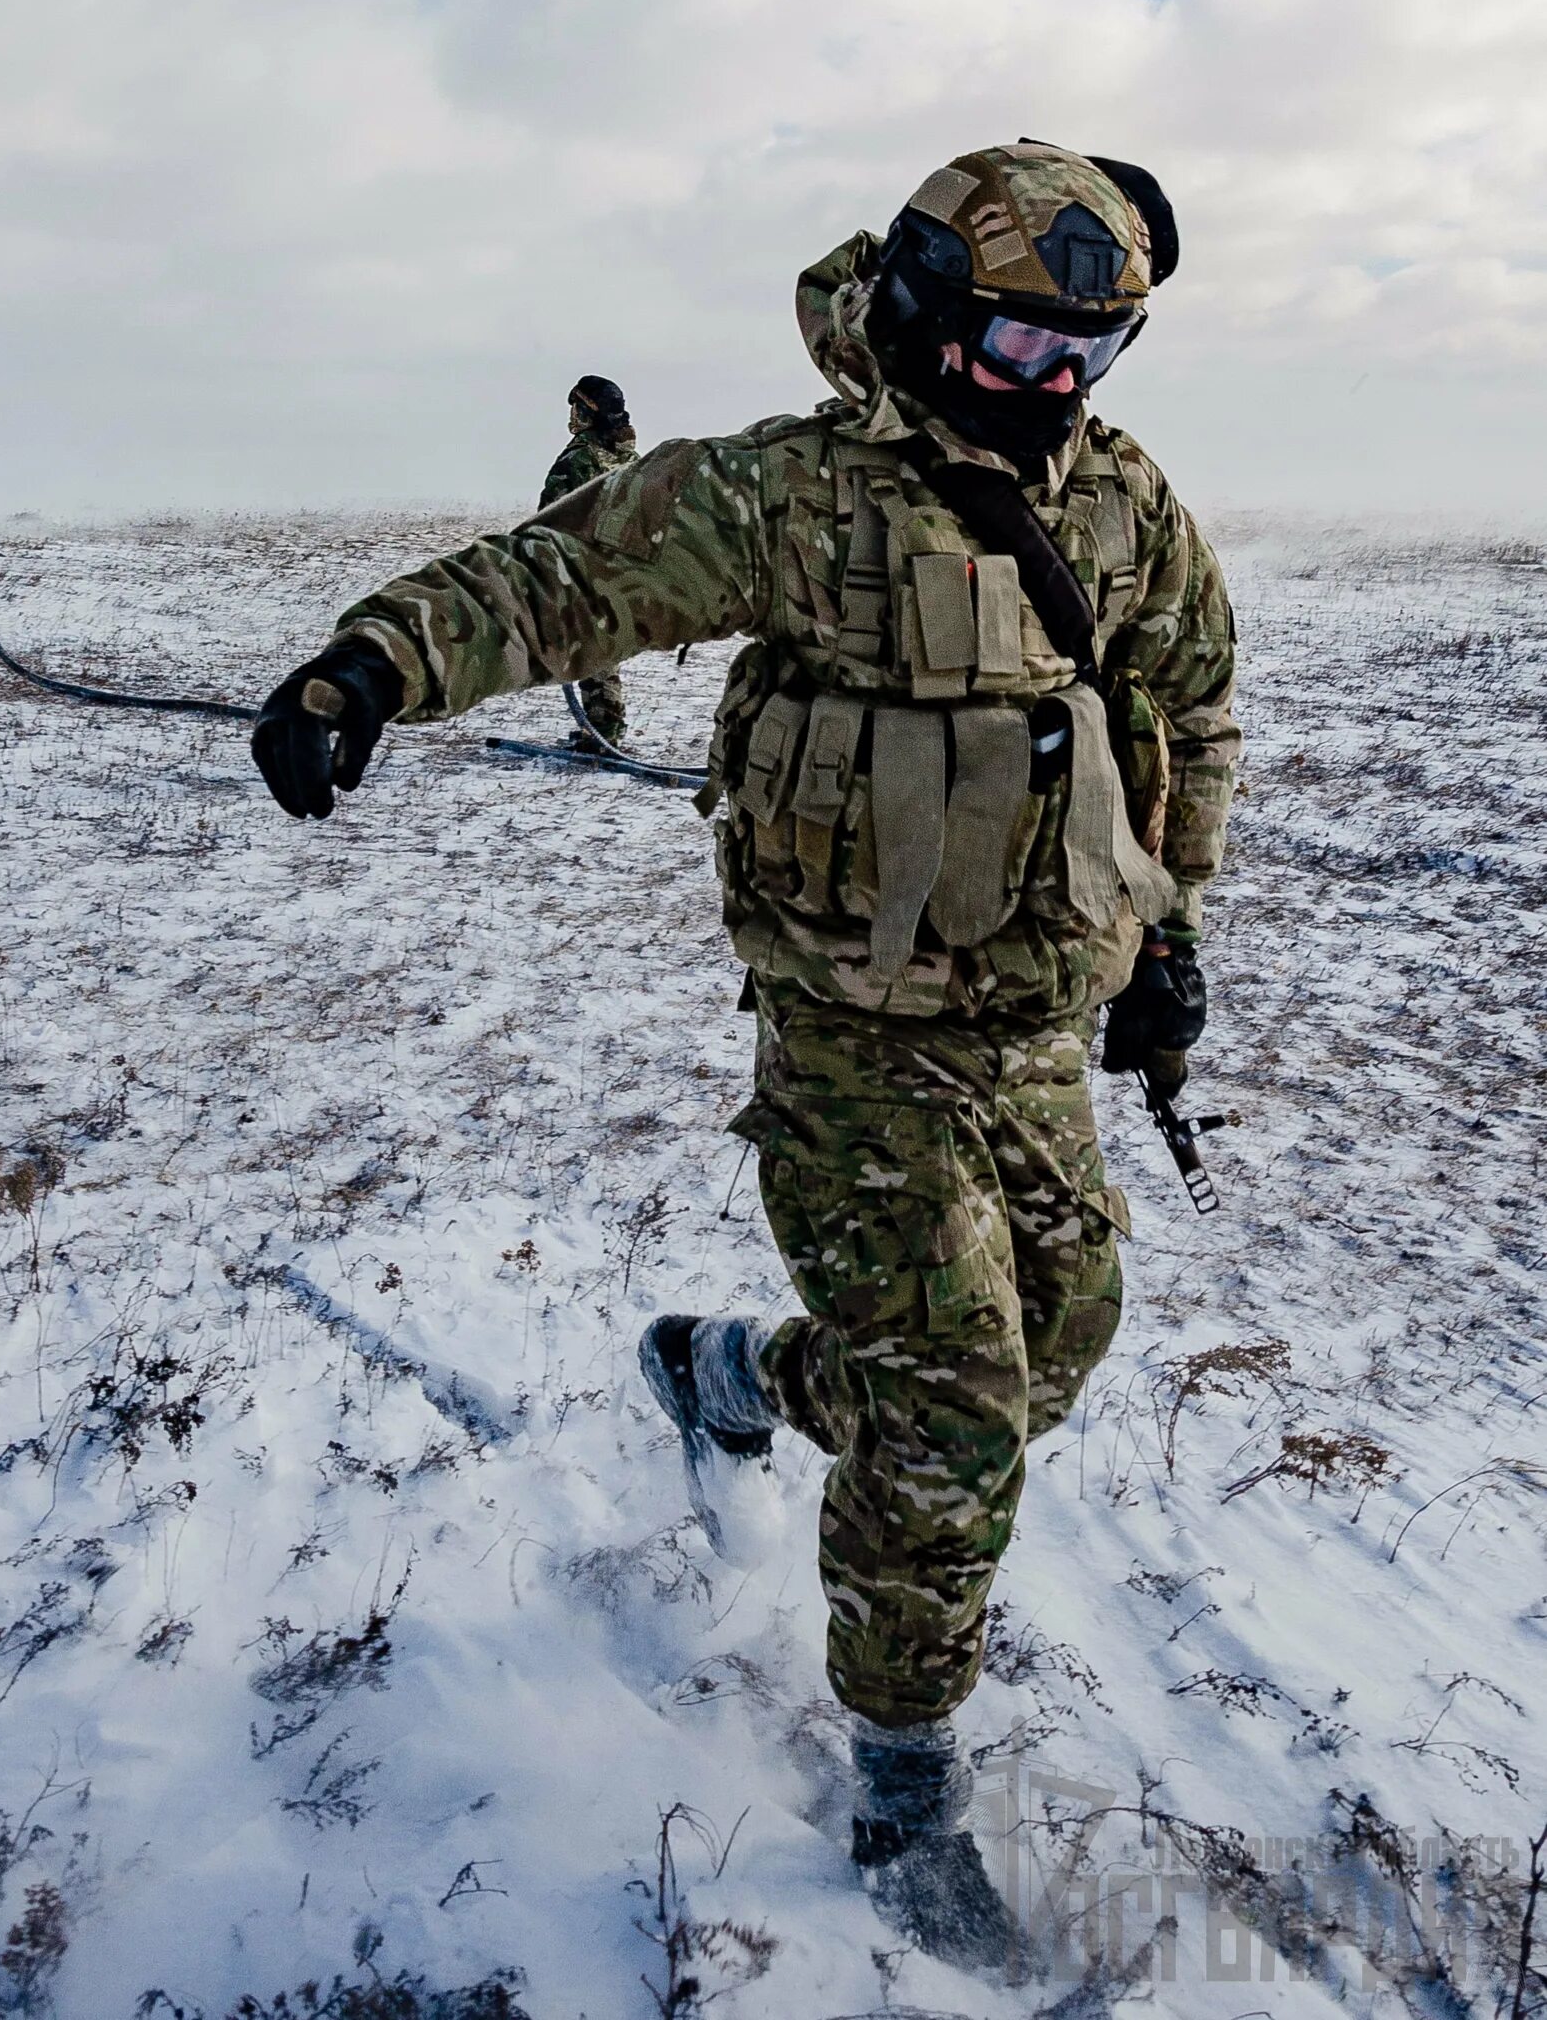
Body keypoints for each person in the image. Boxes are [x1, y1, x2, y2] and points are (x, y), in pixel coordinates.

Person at [250, 144, 1238, 1968]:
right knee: (949, 1407)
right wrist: (371, 666)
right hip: (850, 1042)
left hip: (1029, 1024)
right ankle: (901, 1794)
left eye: (1089, 360)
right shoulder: (793, 495)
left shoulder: (1121, 505)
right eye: (1020, 351)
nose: (1053, 393)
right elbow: (560, 582)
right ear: (933, 312)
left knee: (1054, 1349)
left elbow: (1180, 711)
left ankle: (738, 1375)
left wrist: (1167, 934)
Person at [539, 375, 638, 749]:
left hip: (587, 569)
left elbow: (550, 518)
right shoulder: (628, 456)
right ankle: (604, 725)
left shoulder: (579, 459)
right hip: (626, 569)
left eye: (575, 408)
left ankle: (604, 730)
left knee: (592, 649)